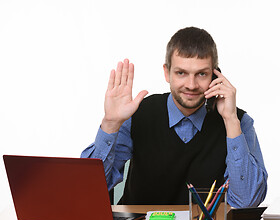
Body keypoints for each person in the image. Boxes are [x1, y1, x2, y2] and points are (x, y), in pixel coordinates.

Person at [81, 27, 267, 208]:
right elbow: (87, 190)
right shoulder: (136, 114)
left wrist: (230, 120)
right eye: (181, 73)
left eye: (202, 74)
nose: (191, 85)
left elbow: (247, 202)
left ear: (215, 75)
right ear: (166, 72)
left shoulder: (238, 122)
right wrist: (110, 124)